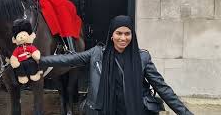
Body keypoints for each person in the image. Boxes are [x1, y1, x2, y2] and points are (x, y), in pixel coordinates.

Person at [39, 15, 193, 115]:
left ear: (132, 36)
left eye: (127, 34)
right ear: (112, 35)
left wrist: (185, 113)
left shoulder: (142, 58)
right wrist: (39, 60)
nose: (123, 38)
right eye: (119, 33)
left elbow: (163, 89)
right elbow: (68, 60)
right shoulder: (97, 53)